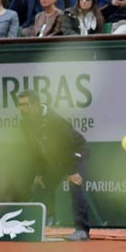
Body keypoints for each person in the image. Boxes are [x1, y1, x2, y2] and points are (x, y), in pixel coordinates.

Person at [17, 90, 91, 242]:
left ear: (36, 105)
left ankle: (82, 231)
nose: (22, 108)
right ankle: (41, 224)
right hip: (58, 159)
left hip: (76, 151)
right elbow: (33, 149)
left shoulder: (53, 120)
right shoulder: (24, 123)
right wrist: (38, 173)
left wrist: (72, 171)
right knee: (41, 187)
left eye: (26, 105)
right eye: (20, 105)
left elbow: (67, 144)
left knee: (74, 184)